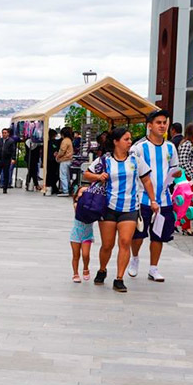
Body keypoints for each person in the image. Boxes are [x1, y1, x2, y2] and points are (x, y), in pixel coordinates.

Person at [85, 127, 158, 293]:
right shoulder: (105, 160)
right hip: (108, 208)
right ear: (116, 142)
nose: (130, 142)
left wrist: (153, 200)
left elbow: (146, 181)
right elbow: (86, 174)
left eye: (130, 139)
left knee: (125, 242)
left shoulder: (135, 160)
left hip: (130, 208)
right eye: (126, 139)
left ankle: (119, 278)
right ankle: (102, 269)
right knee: (107, 245)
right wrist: (98, 176)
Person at [129, 110, 181, 283]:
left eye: (164, 122)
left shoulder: (170, 147)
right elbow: (131, 171)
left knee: (159, 235)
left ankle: (153, 268)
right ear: (149, 126)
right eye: (158, 122)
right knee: (138, 235)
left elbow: (175, 169)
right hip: (141, 198)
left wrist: (178, 177)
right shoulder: (138, 148)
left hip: (164, 199)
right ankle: (134, 258)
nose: (162, 125)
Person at [178, 123, 193, 236]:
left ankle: (182, 219)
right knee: (190, 199)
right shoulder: (187, 144)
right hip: (189, 176)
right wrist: (192, 176)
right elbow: (183, 162)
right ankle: (185, 225)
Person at [70, 186, 94, 283]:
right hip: (76, 233)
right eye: (82, 193)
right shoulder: (77, 205)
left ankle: (85, 268)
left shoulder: (92, 206)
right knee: (76, 255)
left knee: (85, 254)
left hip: (87, 234)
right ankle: (75, 273)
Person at [0, 128, 17, 193]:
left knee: (6, 174)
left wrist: (13, 158)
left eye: (5, 133)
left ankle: (5, 188)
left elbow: (13, 151)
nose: (4, 134)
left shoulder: (11, 141)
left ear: (8, 133)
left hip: (6, 160)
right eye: (3, 133)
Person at [56, 126, 74, 196]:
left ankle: (65, 190)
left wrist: (58, 156)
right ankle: (67, 189)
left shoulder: (65, 141)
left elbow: (62, 151)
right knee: (67, 175)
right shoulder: (69, 140)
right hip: (69, 159)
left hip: (64, 160)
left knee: (63, 176)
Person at [46, 128, 61, 195]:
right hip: (53, 160)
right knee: (54, 174)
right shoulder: (54, 142)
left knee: (49, 174)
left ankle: (50, 187)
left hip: (49, 160)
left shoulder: (47, 142)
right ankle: (53, 187)